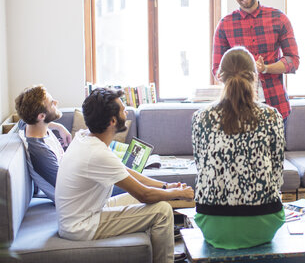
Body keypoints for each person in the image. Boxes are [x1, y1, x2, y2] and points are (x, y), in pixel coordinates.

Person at [55, 88, 194, 263]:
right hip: (81, 226)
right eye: (122, 109)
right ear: (113, 121)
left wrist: (166, 186)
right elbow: (144, 194)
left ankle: (163, 250)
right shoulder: (97, 153)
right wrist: (179, 194)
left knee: (139, 199)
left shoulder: (84, 137)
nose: (126, 112)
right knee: (162, 211)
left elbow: (126, 172)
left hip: (87, 212)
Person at [192, 46, 285, 249]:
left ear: (219, 76)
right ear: (255, 76)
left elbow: (200, 166)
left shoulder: (201, 117)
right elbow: (278, 174)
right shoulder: (271, 116)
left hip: (212, 222)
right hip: (264, 221)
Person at [212, 0, 299, 123]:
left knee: (276, 149)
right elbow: (217, 70)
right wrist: (241, 74)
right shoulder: (225, 25)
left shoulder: (279, 18)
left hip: (276, 107)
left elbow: (293, 61)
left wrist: (265, 68)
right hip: (237, 108)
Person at [15, 85, 72, 202]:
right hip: (76, 200)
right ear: (41, 116)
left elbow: (22, 121)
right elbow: (68, 188)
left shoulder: (28, 126)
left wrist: (59, 127)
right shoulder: (39, 151)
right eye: (52, 103)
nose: (56, 102)